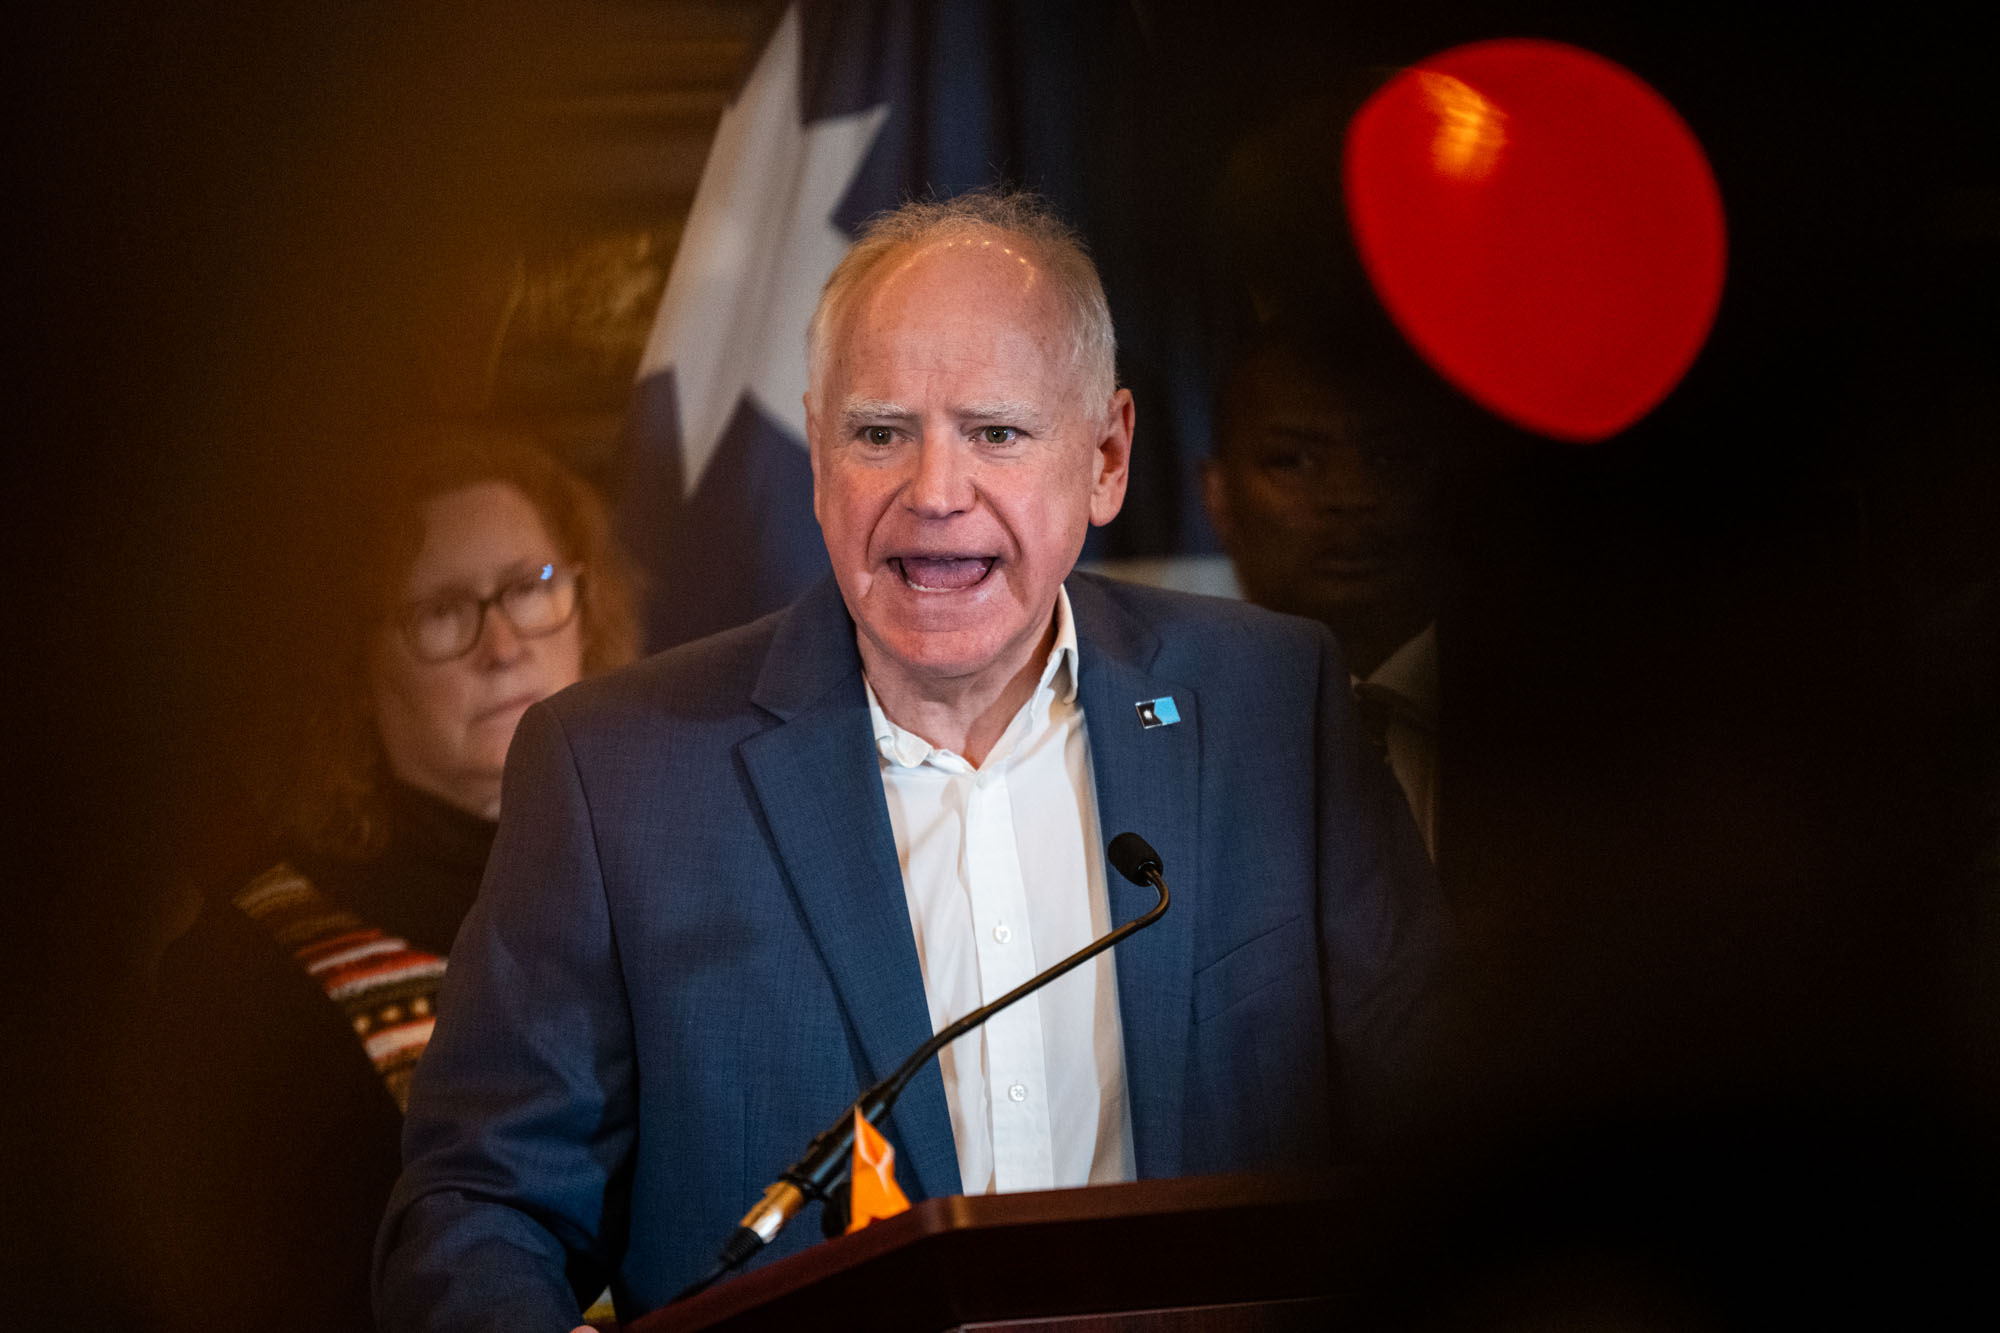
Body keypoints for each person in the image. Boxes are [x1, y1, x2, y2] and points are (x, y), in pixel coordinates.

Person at [375, 192, 1439, 1330]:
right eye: (879, 432)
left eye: (995, 431)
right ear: (817, 452)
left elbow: (1446, 1129)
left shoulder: (1273, 709)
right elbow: (480, 1208)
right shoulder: (614, 773)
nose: (934, 494)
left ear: (1106, 458)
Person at [141, 430, 638, 1333]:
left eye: (531, 588)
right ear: (354, 665)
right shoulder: (245, 974)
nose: (503, 646)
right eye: (444, 609)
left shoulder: (684, 874)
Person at [1202, 320, 1459, 857]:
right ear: (1217, 496)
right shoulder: (1166, 735)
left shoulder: (1564, 723)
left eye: (1390, 457)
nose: (1350, 495)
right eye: (1294, 461)